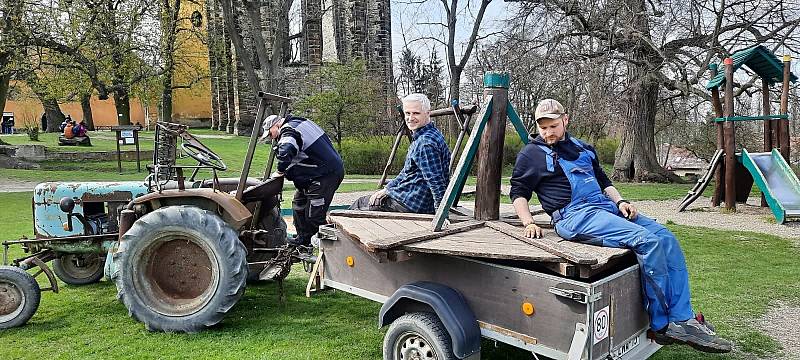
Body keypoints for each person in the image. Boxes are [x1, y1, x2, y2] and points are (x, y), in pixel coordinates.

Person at [509, 99, 732, 354]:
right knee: (647, 241)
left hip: (604, 208)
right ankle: (662, 324)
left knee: (667, 239)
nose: (548, 132)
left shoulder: (584, 148)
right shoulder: (532, 154)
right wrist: (528, 222)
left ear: (566, 120)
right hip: (574, 217)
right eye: (544, 127)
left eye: (553, 126)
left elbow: (604, 182)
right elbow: (519, 192)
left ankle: (683, 318)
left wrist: (621, 201)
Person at [350, 93, 451, 214]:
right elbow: (406, 172)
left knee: (358, 206)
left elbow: (436, 181)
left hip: (411, 204)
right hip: (409, 197)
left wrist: (441, 215)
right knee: (365, 200)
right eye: (407, 113)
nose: (410, 118)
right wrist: (387, 189)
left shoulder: (425, 143)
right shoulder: (428, 135)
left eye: (416, 113)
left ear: (428, 113)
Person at [260, 113, 344, 247]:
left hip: (324, 175)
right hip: (313, 176)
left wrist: (279, 171)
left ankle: (334, 245)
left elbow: (287, 150)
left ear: (276, 125)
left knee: (314, 215)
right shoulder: (300, 122)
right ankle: (304, 241)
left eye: (270, 134)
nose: (271, 138)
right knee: (299, 205)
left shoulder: (288, 130)